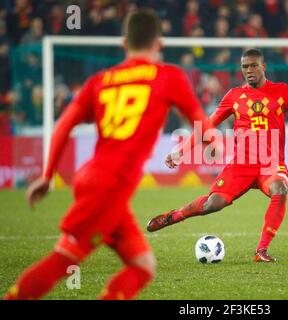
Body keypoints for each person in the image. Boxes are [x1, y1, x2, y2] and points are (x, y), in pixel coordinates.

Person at [4, 9, 209, 300]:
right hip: (109, 186)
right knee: (64, 259)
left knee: (143, 265)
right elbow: (203, 125)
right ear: (159, 44)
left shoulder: (101, 80)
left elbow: (63, 124)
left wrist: (47, 175)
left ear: (124, 45)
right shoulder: (169, 77)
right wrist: (217, 142)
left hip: (92, 178)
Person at [147, 48, 288, 262]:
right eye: (244, 67)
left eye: (253, 66)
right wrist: (180, 151)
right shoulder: (234, 96)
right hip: (242, 164)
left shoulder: (282, 91)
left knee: (280, 189)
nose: (249, 70)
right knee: (211, 205)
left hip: (271, 164)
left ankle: (261, 251)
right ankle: (172, 217)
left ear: (263, 66)